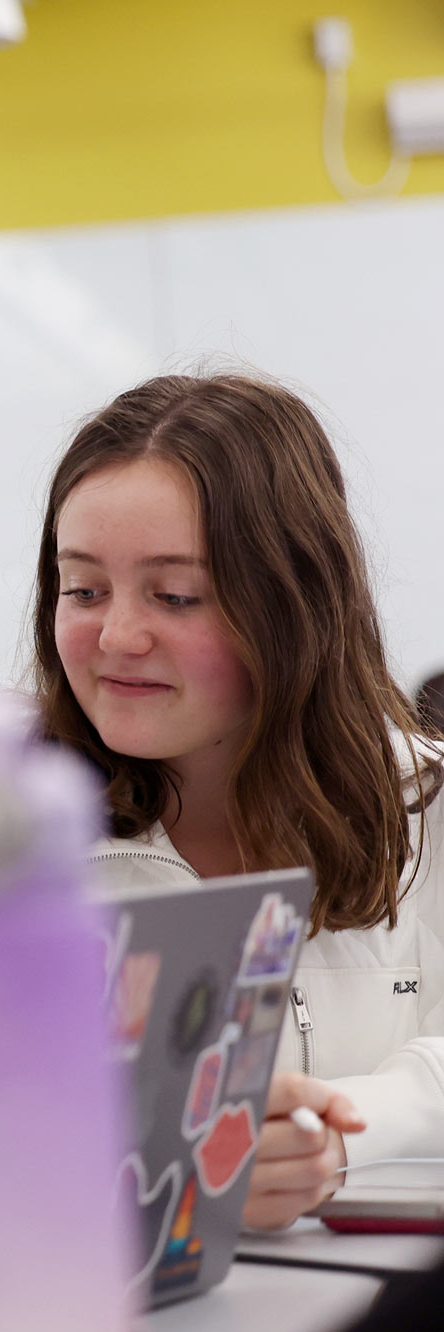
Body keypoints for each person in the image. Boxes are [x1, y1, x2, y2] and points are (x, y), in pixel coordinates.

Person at [33, 373, 444, 1232]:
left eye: (175, 594)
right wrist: (161, 1164)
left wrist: (330, 1136)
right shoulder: (0, 844)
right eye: (83, 589)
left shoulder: (426, 803)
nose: (116, 637)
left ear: (293, 602)